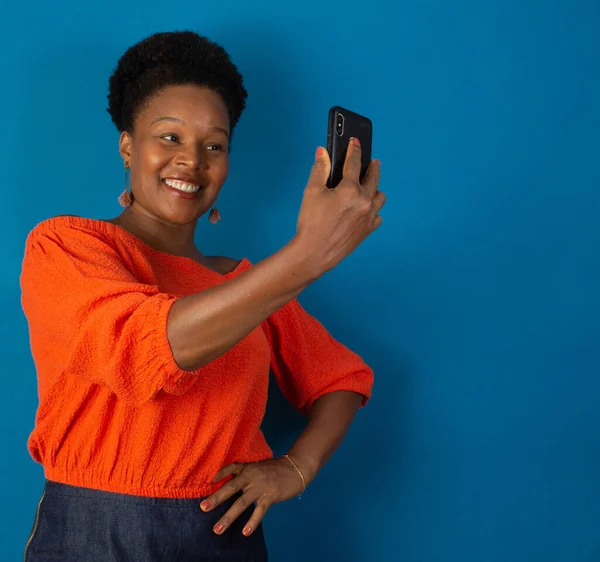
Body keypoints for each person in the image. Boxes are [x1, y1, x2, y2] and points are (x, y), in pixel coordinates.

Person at [20, 30, 385, 561]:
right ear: (127, 144)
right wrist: (308, 255)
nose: (191, 160)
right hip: (92, 533)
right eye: (169, 137)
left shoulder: (247, 282)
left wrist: (295, 469)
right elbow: (146, 345)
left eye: (214, 145)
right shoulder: (66, 246)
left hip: (221, 535)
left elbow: (342, 379)